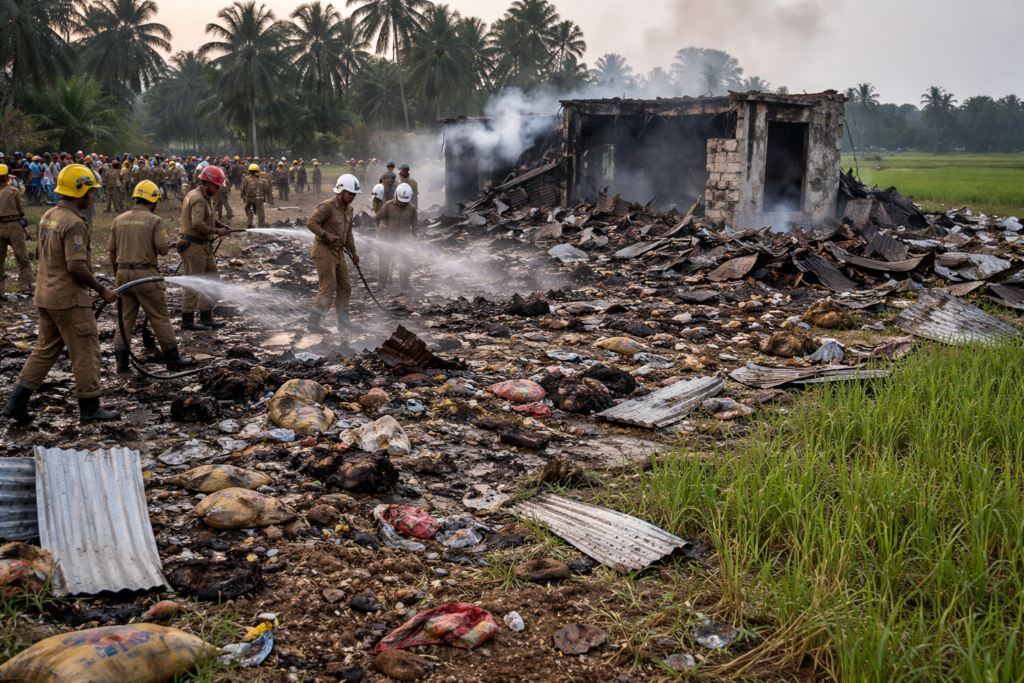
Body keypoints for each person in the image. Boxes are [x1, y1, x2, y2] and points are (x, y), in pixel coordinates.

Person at [2, 164, 121, 424]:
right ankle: (90, 408)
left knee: (44, 351)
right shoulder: (73, 223)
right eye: (90, 190)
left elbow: (41, 255)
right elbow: (75, 266)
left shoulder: (49, 215)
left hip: (45, 297)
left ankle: (15, 404)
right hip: (69, 301)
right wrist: (101, 289)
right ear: (80, 191)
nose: (92, 196)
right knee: (87, 352)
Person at [108, 180, 194, 373]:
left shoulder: (119, 219)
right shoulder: (154, 220)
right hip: (145, 275)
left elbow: (112, 253)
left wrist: (117, 277)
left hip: (122, 275)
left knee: (124, 320)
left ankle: (121, 364)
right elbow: (163, 250)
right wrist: (167, 241)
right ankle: (173, 359)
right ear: (153, 200)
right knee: (160, 317)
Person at [177, 165, 231, 332]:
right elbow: (197, 224)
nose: (217, 189)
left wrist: (222, 226)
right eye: (216, 186)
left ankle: (206, 316)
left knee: (211, 280)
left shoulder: (204, 196)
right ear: (207, 183)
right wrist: (217, 231)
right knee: (194, 283)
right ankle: (187, 319)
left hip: (203, 246)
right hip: (193, 246)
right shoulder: (199, 199)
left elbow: (208, 218)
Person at [305, 174, 361, 334]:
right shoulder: (327, 206)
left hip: (339, 253)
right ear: (341, 191)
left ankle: (343, 323)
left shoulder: (349, 210)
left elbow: (348, 232)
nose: (352, 197)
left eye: (354, 194)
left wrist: (353, 251)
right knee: (328, 287)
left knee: (345, 286)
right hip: (324, 251)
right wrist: (326, 235)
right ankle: (314, 323)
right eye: (350, 194)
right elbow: (311, 223)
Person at [375, 182, 418, 293]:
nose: (402, 204)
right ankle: (381, 285)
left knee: (405, 262)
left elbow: (415, 225)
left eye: (405, 202)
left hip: (404, 239)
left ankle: (405, 286)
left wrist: (414, 237)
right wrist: (380, 232)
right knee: (384, 262)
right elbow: (377, 217)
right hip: (389, 239)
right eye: (400, 201)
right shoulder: (388, 205)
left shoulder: (412, 208)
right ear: (396, 196)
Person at [0, 164, 33, 298]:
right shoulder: (13, 191)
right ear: (7, 176)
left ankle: (0, 292)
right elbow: (21, 211)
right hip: (15, 226)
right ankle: (24, 287)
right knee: (23, 259)